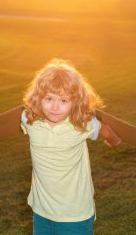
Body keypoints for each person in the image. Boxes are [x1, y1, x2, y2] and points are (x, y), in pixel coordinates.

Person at [21, 59, 122, 235]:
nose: (54, 107)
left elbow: (104, 130)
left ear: (76, 102)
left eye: (63, 101)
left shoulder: (81, 124)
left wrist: (114, 142)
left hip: (75, 213)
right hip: (42, 209)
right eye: (49, 98)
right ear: (38, 98)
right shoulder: (29, 120)